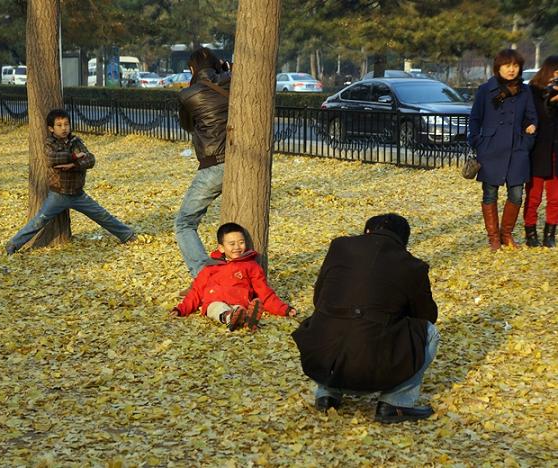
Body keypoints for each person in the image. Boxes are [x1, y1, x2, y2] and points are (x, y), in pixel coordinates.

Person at [292, 214, 439, 424]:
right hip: (374, 368)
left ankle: (327, 395)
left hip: (319, 361)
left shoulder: (339, 247)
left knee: (328, 317)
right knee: (429, 333)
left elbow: (319, 299)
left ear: (367, 231)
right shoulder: (412, 266)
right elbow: (426, 317)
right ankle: (394, 403)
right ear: (403, 241)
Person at [5, 109, 135, 255]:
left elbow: (90, 159)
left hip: (78, 195)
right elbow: (52, 159)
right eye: (59, 125)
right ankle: (13, 244)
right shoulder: (50, 143)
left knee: (102, 215)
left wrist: (74, 165)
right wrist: (74, 156)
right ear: (51, 128)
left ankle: (127, 235)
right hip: (58, 195)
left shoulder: (76, 141)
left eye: (66, 124)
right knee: (39, 220)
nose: (64, 128)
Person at [468, 49, 538, 251]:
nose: (511, 70)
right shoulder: (485, 90)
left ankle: (506, 234)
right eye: (507, 65)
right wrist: (477, 141)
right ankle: (493, 238)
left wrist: (529, 133)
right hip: (490, 149)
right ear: (498, 67)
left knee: (516, 194)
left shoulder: (525, 91)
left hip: (517, 149)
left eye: (515, 66)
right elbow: (475, 119)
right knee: (490, 194)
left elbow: (532, 117)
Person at [170, 222, 297, 332]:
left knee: (239, 308)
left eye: (241, 243)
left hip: (239, 303)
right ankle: (231, 317)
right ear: (221, 248)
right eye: (232, 244)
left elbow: (264, 292)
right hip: (215, 302)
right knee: (216, 307)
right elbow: (196, 292)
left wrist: (284, 309)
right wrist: (181, 310)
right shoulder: (211, 267)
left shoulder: (251, 266)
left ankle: (245, 319)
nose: (237, 247)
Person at [175, 47, 230, 279]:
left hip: (213, 165)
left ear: (191, 69)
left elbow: (187, 125)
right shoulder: (235, 80)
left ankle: (203, 275)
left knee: (184, 223)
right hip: (241, 163)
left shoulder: (189, 95)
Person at [524, 55, 558, 248]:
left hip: (555, 150)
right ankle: (531, 233)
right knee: (534, 196)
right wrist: (551, 99)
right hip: (538, 152)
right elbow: (536, 117)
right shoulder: (533, 92)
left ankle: (550, 234)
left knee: (555, 198)